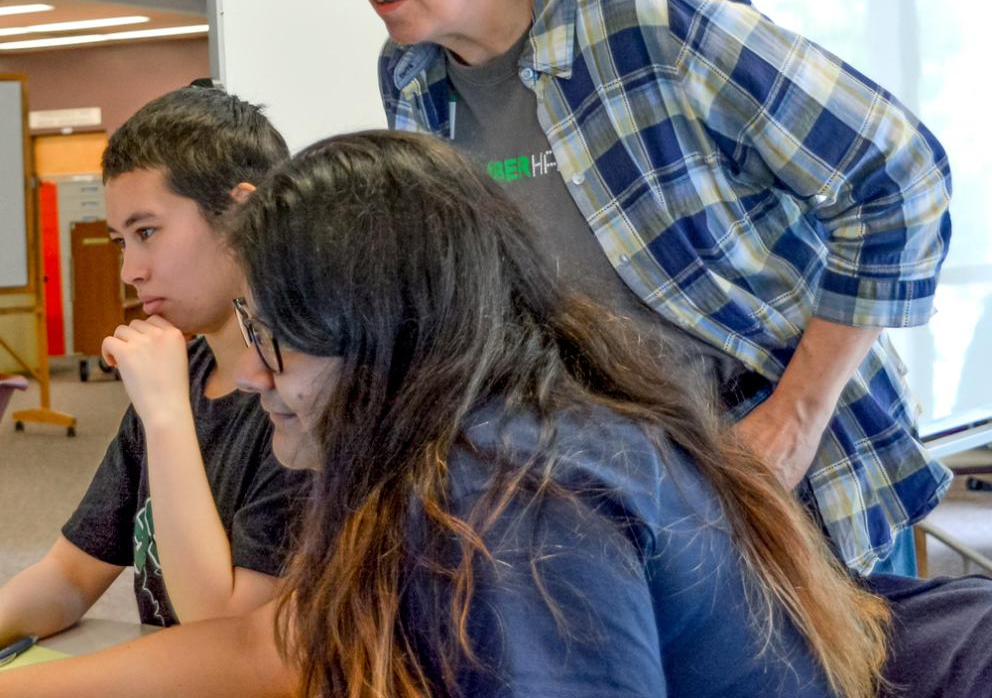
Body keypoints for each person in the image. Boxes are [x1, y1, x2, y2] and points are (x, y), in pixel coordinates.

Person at [4, 132, 989, 698]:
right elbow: (278, 639)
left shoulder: (507, 497)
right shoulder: (482, 433)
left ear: (373, 341)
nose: (253, 373)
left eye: (274, 338)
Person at [306, 0, 954, 574]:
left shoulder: (651, 18)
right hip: (625, 503)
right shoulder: (410, 76)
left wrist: (795, 418)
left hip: (795, 478)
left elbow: (900, 173)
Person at [0, 86, 310, 643]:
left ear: (244, 214)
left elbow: (227, 643)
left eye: (147, 233)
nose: (130, 271)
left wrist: (166, 416)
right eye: (122, 242)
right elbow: (70, 576)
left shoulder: (304, 400)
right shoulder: (182, 372)